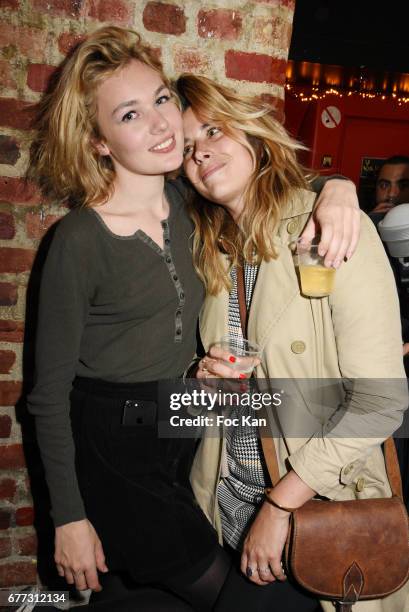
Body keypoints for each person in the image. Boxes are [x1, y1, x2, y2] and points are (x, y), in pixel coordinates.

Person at [27, 25, 361, 611]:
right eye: (129, 115)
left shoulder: (192, 203)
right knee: (228, 590)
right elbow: (46, 399)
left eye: (161, 99)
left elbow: (269, 182)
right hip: (114, 445)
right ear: (99, 141)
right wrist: (69, 519)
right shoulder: (77, 241)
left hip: (183, 426)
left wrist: (336, 187)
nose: (160, 124)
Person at [176, 74, 409, 612]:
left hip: (311, 513)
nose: (201, 152)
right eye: (188, 148)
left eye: (213, 130)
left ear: (254, 135)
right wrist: (201, 379)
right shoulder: (218, 249)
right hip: (227, 501)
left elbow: (381, 404)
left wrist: (278, 508)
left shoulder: (332, 228)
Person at [369, 155, 409, 223]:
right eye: (384, 185)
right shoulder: (364, 223)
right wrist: (368, 223)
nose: (391, 194)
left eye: (403, 185)